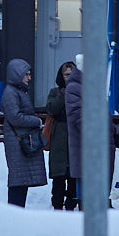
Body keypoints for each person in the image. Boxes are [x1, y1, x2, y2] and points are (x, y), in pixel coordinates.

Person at [0, 59, 48, 207]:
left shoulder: (18, 91)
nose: (29, 77)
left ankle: (17, 211)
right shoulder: (11, 93)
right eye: (26, 74)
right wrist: (36, 121)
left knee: (21, 180)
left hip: (21, 140)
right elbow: (14, 117)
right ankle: (15, 213)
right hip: (18, 142)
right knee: (18, 181)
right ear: (16, 75)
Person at [46, 60, 77, 210]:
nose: (69, 78)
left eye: (72, 75)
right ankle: (57, 208)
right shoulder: (55, 92)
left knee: (73, 177)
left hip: (75, 139)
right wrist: (66, 92)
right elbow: (52, 109)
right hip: (59, 139)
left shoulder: (82, 92)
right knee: (58, 179)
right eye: (66, 75)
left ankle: (71, 206)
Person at [65, 54, 83, 208]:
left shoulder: (90, 85)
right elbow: (77, 115)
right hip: (83, 143)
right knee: (83, 180)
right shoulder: (74, 88)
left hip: (92, 143)